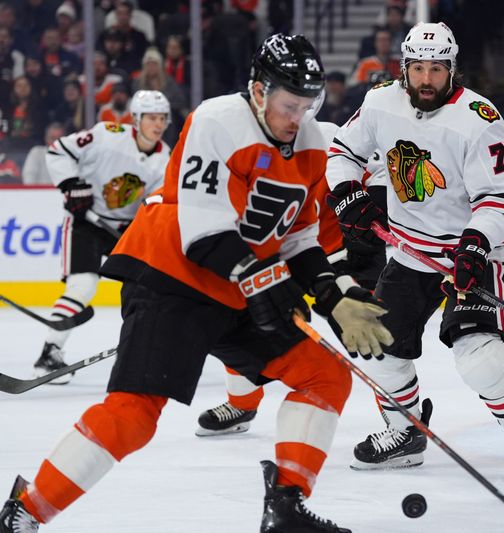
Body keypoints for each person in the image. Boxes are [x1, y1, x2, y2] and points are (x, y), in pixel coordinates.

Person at [0, 34, 392, 533]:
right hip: (173, 278)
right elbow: (205, 235)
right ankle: (25, 511)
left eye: (308, 104)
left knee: (326, 377)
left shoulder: (313, 143)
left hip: (240, 287)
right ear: (258, 91)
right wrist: (273, 284)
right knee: (135, 415)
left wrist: (334, 295)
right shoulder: (216, 120)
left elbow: (299, 237)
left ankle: (287, 507)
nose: (298, 117)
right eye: (289, 104)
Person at [324, 22, 504, 480]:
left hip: (468, 254)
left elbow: (498, 202)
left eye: (436, 69)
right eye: (417, 68)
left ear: (451, 69)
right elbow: (342, 151)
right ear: (403, 67)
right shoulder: (380, 102)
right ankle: (405, 433)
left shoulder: (479, 119)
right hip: (407, 251)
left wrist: (475, 246)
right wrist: (346, 194)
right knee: (380, 344)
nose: (425, 79)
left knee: (480, 355)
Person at [195, 121, 389, 437]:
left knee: (370, 333)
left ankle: (404, 424)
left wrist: (371, 211)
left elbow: (378, 173)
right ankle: (242, 403)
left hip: (347, 256)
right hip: (293, 259)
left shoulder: (326, 137)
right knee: (241, 316)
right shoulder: (248, 150)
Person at [31, 90, 172, 383]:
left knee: (145, 291)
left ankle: (143, 350)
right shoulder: (108, 134)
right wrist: (72, 185)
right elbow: (59, 149)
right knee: (82, 287)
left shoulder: (165, 159)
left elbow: (155, 203)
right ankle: (49, 354)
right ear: (135, 119)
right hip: (87, 222)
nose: (157, 124)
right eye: (151, 118)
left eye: (162, 119)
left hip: (125, 231)